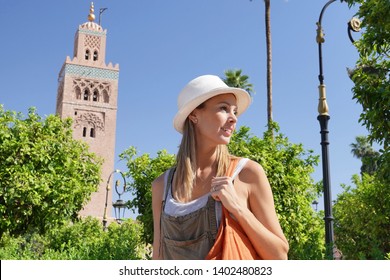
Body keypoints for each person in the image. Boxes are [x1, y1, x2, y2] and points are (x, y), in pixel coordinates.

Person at [152, 74, 289, 260]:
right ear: (194, 115)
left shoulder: (247, 173)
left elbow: (280, 256)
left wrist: (238, 209)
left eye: (235, 111)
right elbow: (159, 255)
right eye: (224, 109)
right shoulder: (162, 186)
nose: (233, 119)